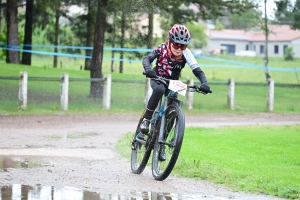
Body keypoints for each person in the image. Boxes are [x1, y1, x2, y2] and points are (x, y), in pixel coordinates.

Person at [140, 24, 211, 134]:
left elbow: (197, 70)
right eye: (176, 45)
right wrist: (148, 69)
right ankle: (146, 120)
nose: (179, 49)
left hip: (173, 82)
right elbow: (147, 59)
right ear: (170, 41)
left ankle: (163, 142)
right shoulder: (162, 48)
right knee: (159, 90)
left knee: (174, 106)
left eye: (182, 46)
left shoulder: (187, 53)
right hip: (157, 77)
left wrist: (204, 83)